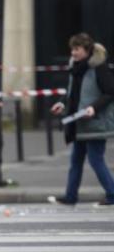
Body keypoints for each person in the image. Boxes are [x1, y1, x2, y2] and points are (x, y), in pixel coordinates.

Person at [50, 33, 114, 206]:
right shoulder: (75, 67)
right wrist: (62, 104)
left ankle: (112, 194)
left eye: (77, 49)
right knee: (76, 161)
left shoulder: (99, 67)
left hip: (95, 121)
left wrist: (94, 107)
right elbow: (72, 93)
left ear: (87, 50)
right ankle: (70, 197)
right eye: (72, 49)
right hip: (78, 122)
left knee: (95, 159)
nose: (73, 53)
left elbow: (110, 92)